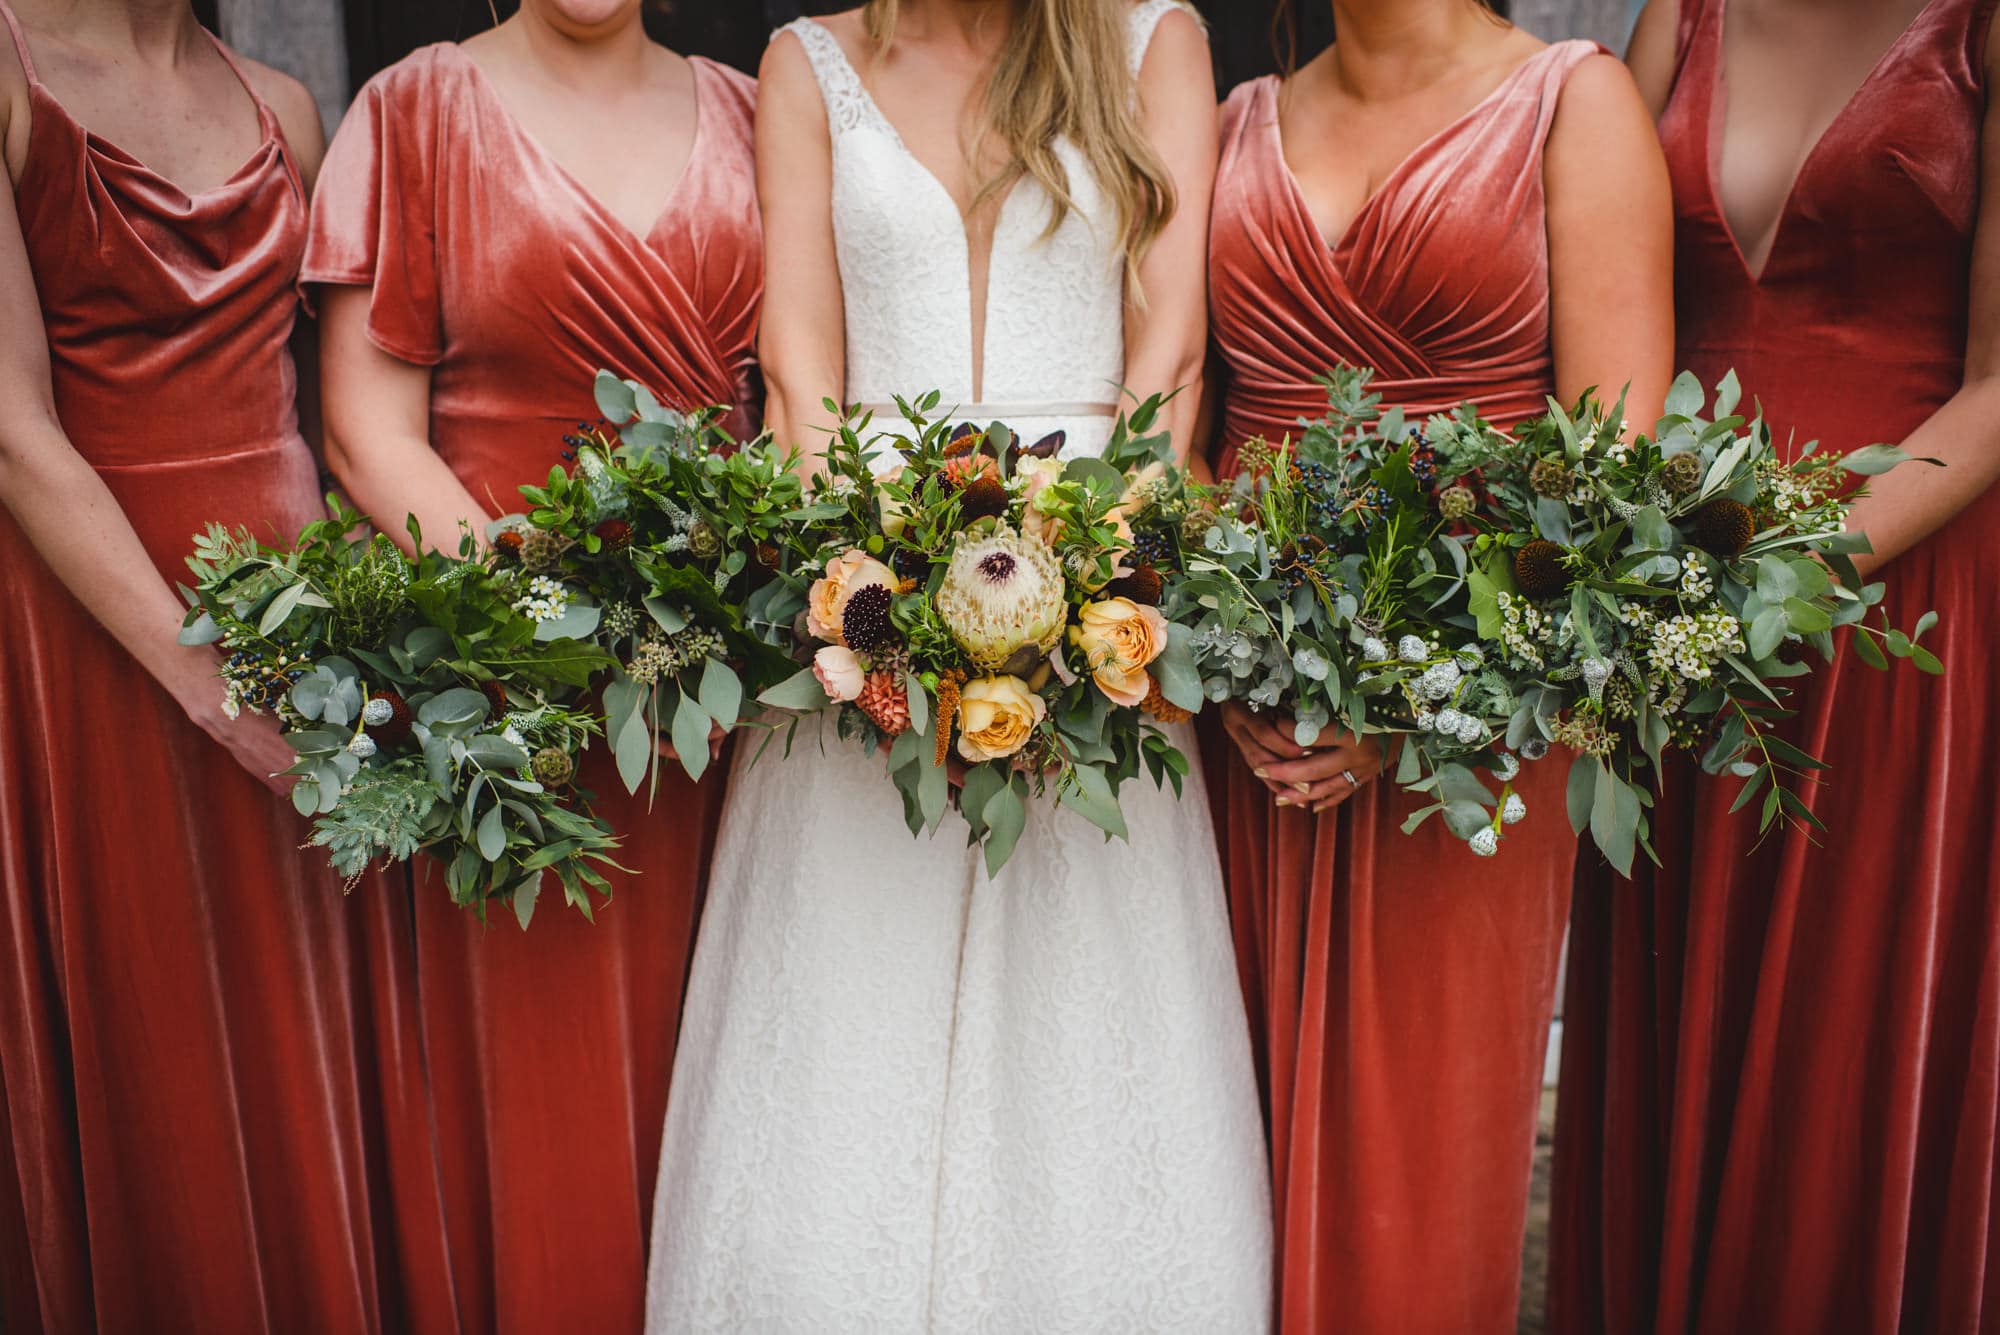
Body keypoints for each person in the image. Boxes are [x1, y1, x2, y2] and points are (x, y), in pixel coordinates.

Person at [645, 2, 1273, 1330]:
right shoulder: (809, 60)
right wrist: (856, 589)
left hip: (1099, 570)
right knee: (848, 1006)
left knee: (1086, 1014)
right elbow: (798, 363)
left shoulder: (1152, 38)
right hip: (865, 584)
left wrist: (1097, 562)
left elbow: (1170, 361)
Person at [1204, 0, 1673, 1328]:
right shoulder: (1237, 123)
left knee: (1416, 1167)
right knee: (1219, 1131)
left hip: (1473, 740)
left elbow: (1613, 488)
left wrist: (1410, 706)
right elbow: (1182, 425)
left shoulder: (1573, 106)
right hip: (1248, 728)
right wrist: (1238, 656)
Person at [304, 0, 761, 1326]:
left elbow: (800, 402)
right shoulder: (417, 108)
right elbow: (362, 426)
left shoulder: (750, 110)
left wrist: (718, 615)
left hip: (718, 695)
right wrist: (551, 620)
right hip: (505, 701)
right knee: (539, 1096)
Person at [1550, 1, 2000, 1330]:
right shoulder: (1674, 24)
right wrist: (1637, 582)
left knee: (1841, 1042)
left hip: (1899, 605)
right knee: (1678, 1013)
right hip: (1675, 609)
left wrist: (1777, 581)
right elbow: (1607, 330)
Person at [0, 1, 393, 1330]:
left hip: (298, 645)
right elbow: (11, 434)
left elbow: (315, 414)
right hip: (102, 645)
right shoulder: (6, 69)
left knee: (303, 1047)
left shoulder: (281, 104)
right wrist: (209, 689)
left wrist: (354, 654)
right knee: (160, 1057)